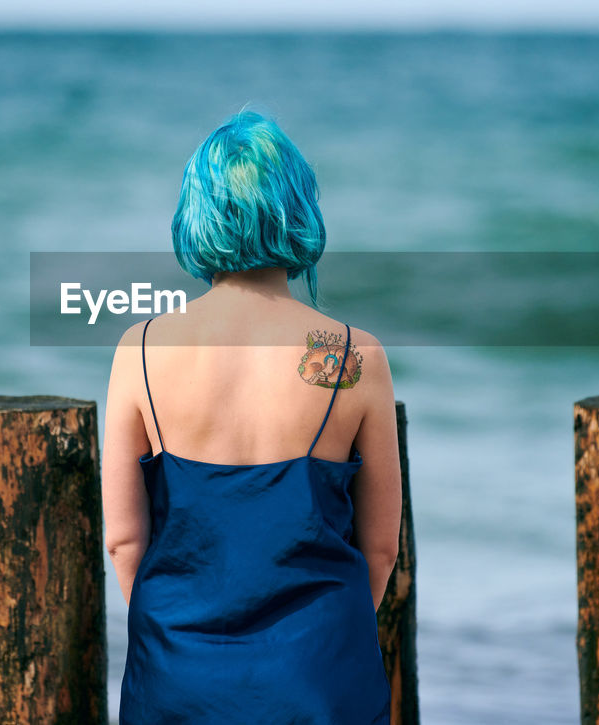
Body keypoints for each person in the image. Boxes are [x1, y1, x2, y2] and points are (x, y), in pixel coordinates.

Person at [102, 109, 401, 723]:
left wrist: (178, 644)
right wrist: (323, 645)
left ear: (197, 214)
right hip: (320, 677)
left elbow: (124, 540)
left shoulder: (142, 349)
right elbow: (380, 549)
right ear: (298, 208)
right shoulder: (351, 355)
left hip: (177, 676)